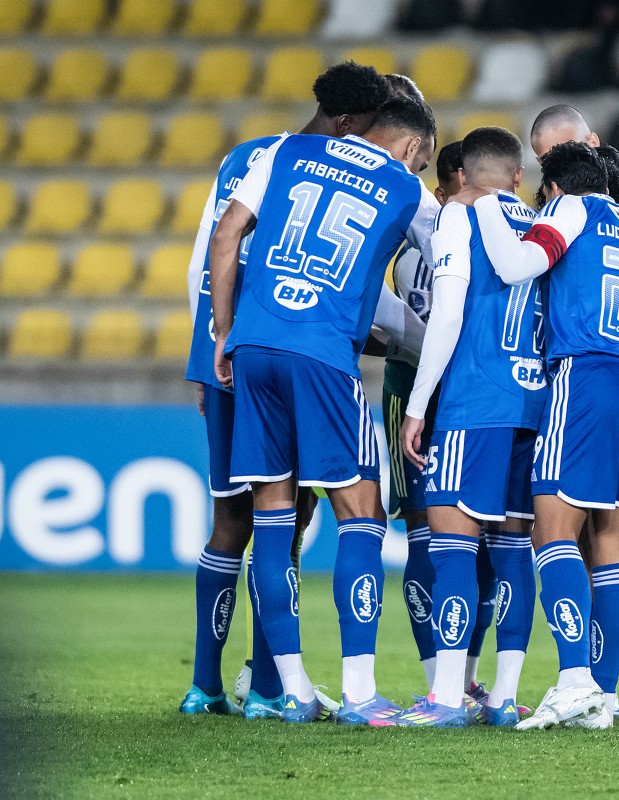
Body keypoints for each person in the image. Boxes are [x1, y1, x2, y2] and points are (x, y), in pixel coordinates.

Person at [209, 97, 438, 724]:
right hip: (323, 354)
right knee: (361, 514)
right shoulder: (406, 188)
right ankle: (360, 693)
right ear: (411, 148)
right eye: (422, 160)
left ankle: (292, 690)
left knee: (273, 517)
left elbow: (226, 234)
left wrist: (223, 332)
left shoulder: (284, 150)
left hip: (254, 345)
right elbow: (455, 261)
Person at [179, 61, 389, 719]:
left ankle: (207, 686)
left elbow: (205, 256)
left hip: (228, 348)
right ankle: (270, 687)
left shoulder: (248, 155)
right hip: (284, 345)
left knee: (233, 520)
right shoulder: (334, 168)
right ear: (350, 122)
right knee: (288, 514)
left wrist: (208, 347)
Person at [470, 141, 619, 730]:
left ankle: (575, 679)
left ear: (553, 187)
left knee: (552, 533)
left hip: (587, 376)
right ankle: (599, 695)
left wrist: (485, 205)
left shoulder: (572, 206)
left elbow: (515, 266)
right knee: (613, 549)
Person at [383, 127, 543, 728]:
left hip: (473, 402)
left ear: (461, 177)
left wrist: (418, 404)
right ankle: (502, 697)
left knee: (451, 548)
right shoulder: (542, 223)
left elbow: (447, 313)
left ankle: (447, 696)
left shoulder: (458, 216)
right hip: (532, 404)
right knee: (512, 551)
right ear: (517, 176)